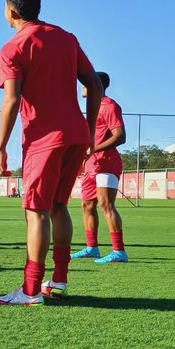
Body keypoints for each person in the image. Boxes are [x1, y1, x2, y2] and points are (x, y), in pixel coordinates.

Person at [0, 0, 103, 305]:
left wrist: (0, 146)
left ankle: (29, 291)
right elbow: (94, 84)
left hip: (44, 140)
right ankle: (60, 280)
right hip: (76, 135)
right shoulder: (66, 37)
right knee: (58, 207)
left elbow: (11, 99)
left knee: (36, 211)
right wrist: (90, 130)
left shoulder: (12, 48)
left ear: (11, 11)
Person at [72, 72, 128, 264]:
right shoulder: (91, 108)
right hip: (91, 164)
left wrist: (94, 148)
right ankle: (91, 248)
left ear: (97, 85)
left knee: (106, 205)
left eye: (85, 83)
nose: (82, 86)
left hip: (106, 163)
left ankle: (119, 252)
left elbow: (120, 136)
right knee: (87, 206)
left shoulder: (110, 106)